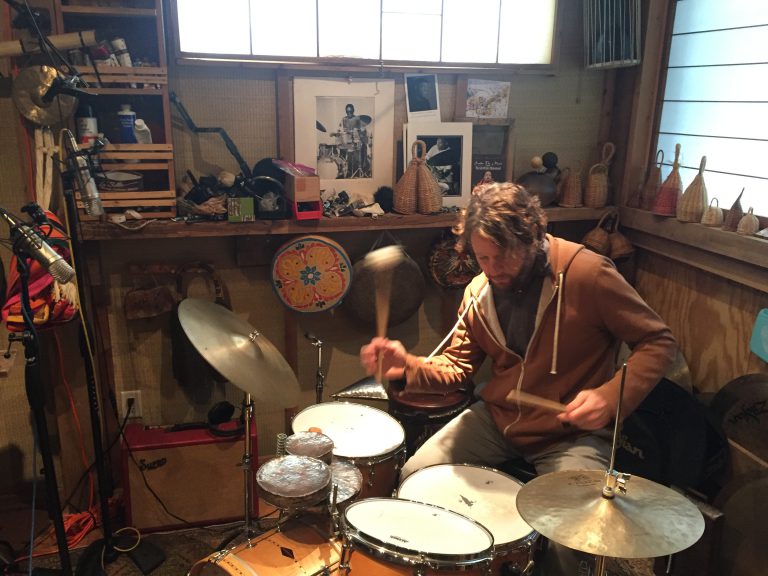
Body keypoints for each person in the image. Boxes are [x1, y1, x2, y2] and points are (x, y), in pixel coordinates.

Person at [359, 182, 677, 574]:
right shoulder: (478, 292)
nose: (493, 269)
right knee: (415, 476)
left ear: (533, 236)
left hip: (569, 433)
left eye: (503, 255)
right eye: (483, 257)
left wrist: (611, 397)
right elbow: (457, 367)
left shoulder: (588, 274)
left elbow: (658, 342)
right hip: (499, 419)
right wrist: (406, 366)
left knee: (573, 537)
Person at [339, 103, 369, 178]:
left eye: (350, 111)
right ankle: (346, 172)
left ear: (353, 111)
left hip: (356, 141)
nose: (349, 113)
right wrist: (341, 131)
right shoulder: (344, 119)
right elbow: (342, 129)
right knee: (344, 155)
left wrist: (360, 131)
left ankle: (356, 173)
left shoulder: (357, 119)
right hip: (347, 141)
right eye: (347, 112)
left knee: (356, 158)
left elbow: (362, 131)